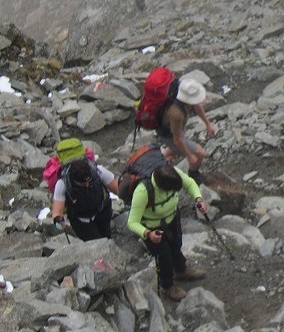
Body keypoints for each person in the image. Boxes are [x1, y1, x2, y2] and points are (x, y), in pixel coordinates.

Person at [127, 163, 208, 301]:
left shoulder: (172, 174)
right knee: (164, 257)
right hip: (153, 229)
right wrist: (148, 233)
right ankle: (168, 286)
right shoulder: (143, 192)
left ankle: (181, 270)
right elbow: (132, 222)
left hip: (172, 218)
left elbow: (189, 183)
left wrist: (198, 199)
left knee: (177, 245)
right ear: (162, 187)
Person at [157, 78, 215, 181]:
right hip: (169, 134)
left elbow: (197, 106)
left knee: (174, 149)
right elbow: (177, 139)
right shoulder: (176, 113)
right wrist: (190, 156)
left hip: (176, 130)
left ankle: (156, 157)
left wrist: (208, 124)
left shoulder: (183, 97)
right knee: (200, 154)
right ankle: (194, 175)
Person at [50, 156, 119, 242]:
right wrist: (58, 221)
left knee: (107, 237)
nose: (86, 185)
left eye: (89, 182)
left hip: (102, 211)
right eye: (82, 184)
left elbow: (118, 190)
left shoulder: (98, 171)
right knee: (96, 244)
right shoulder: (62, 184)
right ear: (74, 180)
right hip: (80, 220)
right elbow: (57, 212)